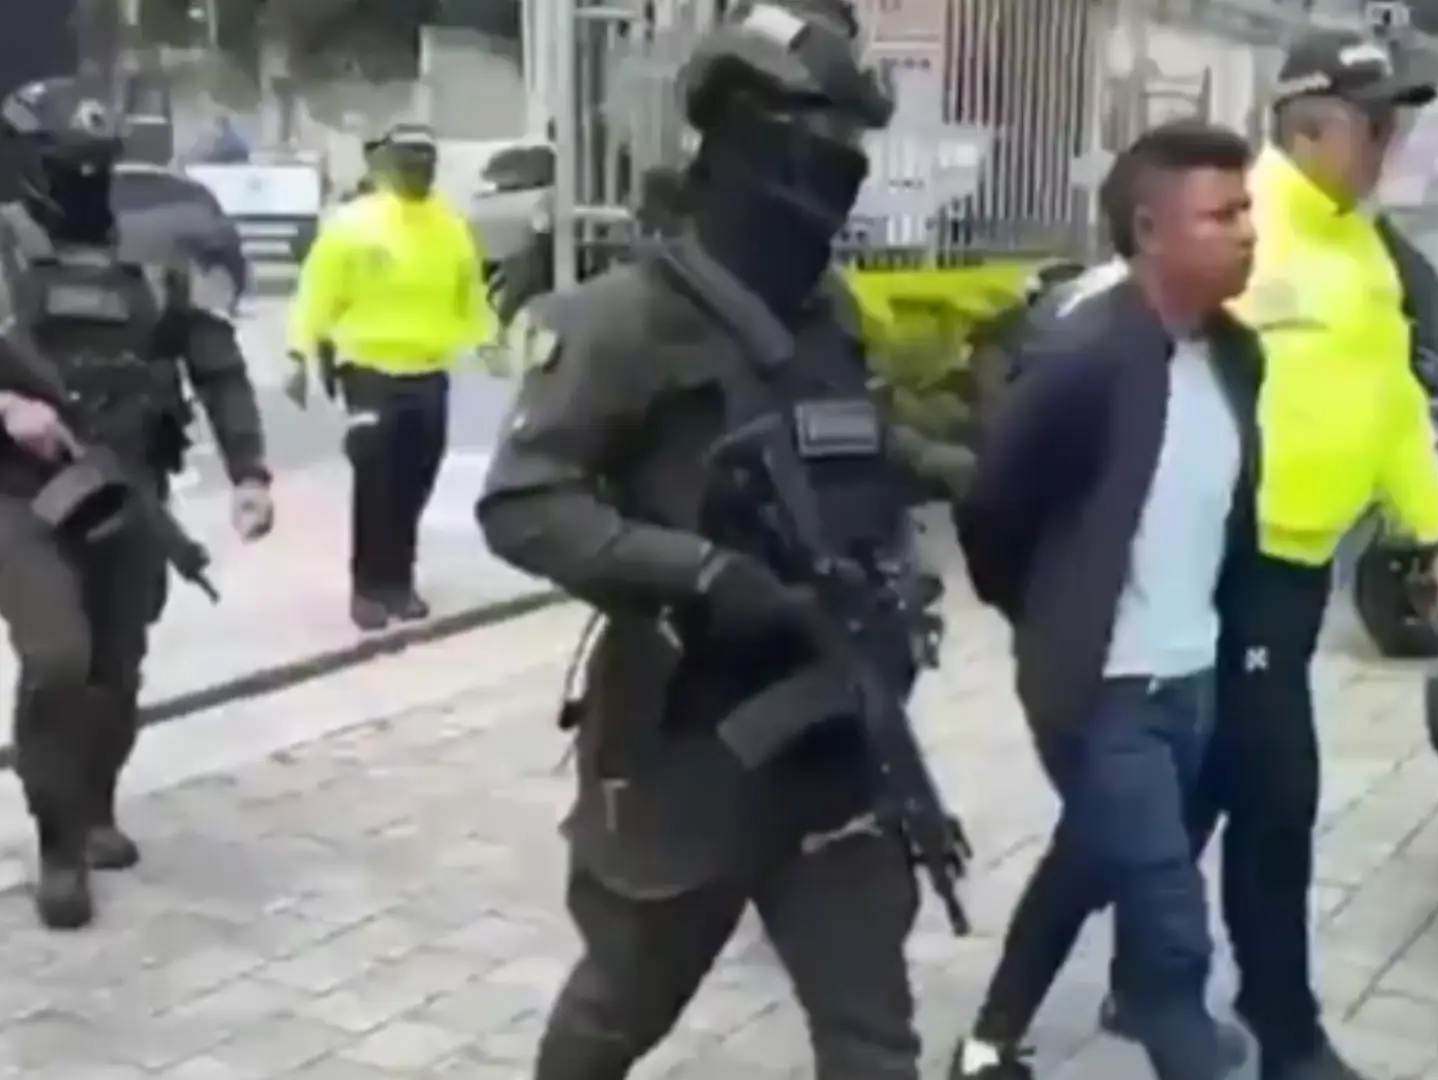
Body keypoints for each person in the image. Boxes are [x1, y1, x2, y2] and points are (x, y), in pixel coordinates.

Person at [473, 3, 969, 1078]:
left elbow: (840, 440)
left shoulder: (825, 315)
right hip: (689, 742)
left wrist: (935, 467)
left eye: (855, 142)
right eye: (828, 139)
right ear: (749, 138)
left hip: (835, 730)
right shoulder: (618, 321)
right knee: (618, 1009)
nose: (847, 167)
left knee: (874, 1036)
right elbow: (523, 501)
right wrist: (698, 571)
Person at [950, 119, 1262, 1080]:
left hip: (1190, 681)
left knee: (1089, 857)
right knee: (1171, 932)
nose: (1248, 231)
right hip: (1103, 693)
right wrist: (1051, 621)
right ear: (1150, 230)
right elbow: (992, 510)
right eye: (1221, 215)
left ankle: (985, 1044)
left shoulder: (1237, 356)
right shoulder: (1083, 360)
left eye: (1246, 209)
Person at [1220, 31, 1438, 1080]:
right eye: (1378, 125)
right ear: (1310, 126)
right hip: (1227, 565)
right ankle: (1286, 1033)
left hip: (1299, 572)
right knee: (1276, 799)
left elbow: (1395, 398)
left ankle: (1136, 968)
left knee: (1188, 792)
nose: (1391, 145)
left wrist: (1434, 527)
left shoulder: (1359, 244)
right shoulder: (1239, 225)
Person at [0, 75, 274, 930]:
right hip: (21, 498)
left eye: (97, 163)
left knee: (117, 668)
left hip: (130, 493)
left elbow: (217, 366)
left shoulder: (156, 258)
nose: (84, 180)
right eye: (67, 164)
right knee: (58, 660)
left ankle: (93, 805)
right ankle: (56, 845)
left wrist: (251, 472)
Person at [285, 121, 497, 631]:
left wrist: (496, 345)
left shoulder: (451, 227)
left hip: (428, 372)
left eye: (427, 159)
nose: (419, 168)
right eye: (408, 159)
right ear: (388, 164)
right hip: (367, 370)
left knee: (417, 476)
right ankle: (368, 587)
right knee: (375, 476)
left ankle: (399, 580)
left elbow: (471, 298)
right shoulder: (354, 224)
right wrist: (298, 354)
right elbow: (316, 293)